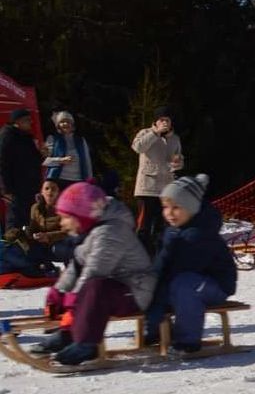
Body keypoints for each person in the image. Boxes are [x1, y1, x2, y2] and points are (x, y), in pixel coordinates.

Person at [31, 181, 156, 365]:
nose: (62, 223)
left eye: (66, 217)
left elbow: (95, 270)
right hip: (118, 289)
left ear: (81, 215)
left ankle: (86, 344)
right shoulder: (93, 231)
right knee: (92, 288)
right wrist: (58, 291)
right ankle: (68, 334)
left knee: (95, 287)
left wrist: (73, 297)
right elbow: (77, 265)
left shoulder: (111, 232)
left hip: (137, 291)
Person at [144, 174, 238, 352]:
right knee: (158, 284)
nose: (169, 213)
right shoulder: (174, 231)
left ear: (192, 208)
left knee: (183, 285)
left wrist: (157, 289)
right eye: (165, 207)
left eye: (176, 207)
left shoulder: (199, 234)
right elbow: (162, 265)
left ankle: (188, 340)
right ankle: (157, 331)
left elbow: (180, 269)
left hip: (215, 285)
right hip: (189, 281)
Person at [132, 106, 183, 258]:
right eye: (161, 120)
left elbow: (179, 158)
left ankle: (160, 257)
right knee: (144, 226)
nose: (165, 123)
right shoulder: (145, 133)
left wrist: (178, 163)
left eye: (167, 120)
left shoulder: (175, 138)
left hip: (166, 189)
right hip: (146, 187)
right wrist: (155, 132)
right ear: (155, 121)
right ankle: (140, 257)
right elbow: (137, 147)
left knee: (163, 226)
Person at [0, 109, 42, 229]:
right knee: (15, 220)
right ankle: (13, 244)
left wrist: (42, 154)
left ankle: (28, 244)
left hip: (30, 186)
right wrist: (6, 189)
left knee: (29, 217)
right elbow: (3, 164)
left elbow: (35, 159)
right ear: (18, 121)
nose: (31, 122)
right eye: (28, 120)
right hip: (16, 188)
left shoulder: (26, 137)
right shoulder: (7, 136)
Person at [42, 111, 93, 190]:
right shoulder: (52, 139)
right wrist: (61, 160)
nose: (65, 124)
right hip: (58, 180)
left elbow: (87, 161)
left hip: (78, 180)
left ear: (72, 124)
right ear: (58, 125)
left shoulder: (81, 140)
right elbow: (45, 161)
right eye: (62, 122)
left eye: (68, 121)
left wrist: (90, 180)